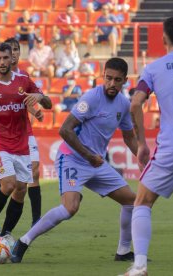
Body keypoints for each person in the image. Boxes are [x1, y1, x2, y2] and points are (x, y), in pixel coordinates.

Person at [11, 58, 139, 264]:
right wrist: (88, 155)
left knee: (131, 201)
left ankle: (123, 251)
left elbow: (129, 137)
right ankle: (24, 241)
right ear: (103, 76)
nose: (112, 84)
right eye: (108, 78)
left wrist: (143, 159)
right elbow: (65, 130)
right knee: (70, 208)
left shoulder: (123, 104)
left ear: (125, 80)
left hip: (95, 163)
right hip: (72, 159)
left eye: (117, 80)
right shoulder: (91, 98)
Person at [121, 17, 173, 276]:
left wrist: (141, 143)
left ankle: (140, 265)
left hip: (172, 145)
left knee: (142, 202)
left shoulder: (153, 69)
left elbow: (135, 103)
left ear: (163, 38)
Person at [0, 42, 52, 240]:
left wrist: (39, 96)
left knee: (21, 189)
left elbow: (48, 103)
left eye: (5, 58)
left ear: (12, 58)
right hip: (0, 141)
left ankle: (6, 234)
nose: (2, 62)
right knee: (9, 183)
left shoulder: (24, 80)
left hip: (22, 143)